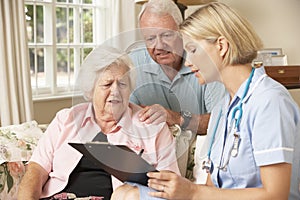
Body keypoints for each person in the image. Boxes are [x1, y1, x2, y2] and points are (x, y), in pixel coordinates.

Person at [112, 2, 300, 199]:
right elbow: (212, 187)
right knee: (124, 192)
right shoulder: (222, 108)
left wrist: (192, 192)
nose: (187, 61)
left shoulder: (269, 101)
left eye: (192, 50)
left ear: (221, 46)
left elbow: (276, 194)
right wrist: (178, 187)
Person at [17, 46, 180, 200]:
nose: (115, 91)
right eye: (107, 84)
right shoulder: (66, 119)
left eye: (122, 84)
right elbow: (36, 170)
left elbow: (172, 187)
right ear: (90, 90)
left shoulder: (152, 127)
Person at [129, 0, 225, 135]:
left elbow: (222, 122)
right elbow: (125, 117)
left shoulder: (205, 60)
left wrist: (177, 118)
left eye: (167, 35)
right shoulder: (132, 63)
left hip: (200, 150)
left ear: (182, 32)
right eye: (150, 39)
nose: (160, 46)